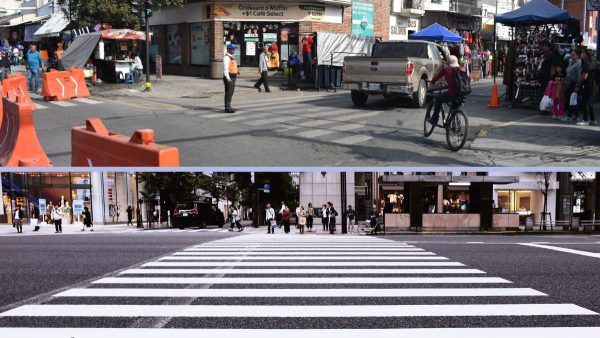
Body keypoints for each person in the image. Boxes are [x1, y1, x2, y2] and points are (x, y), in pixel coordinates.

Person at [429, 55, 463, 126]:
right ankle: (454, 122)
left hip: (452, 93)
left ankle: (434, 119)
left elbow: (436, 77)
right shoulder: (462, 69)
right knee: (454, 107)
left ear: (448, 63)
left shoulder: (446, 70)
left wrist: (432, 82)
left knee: (438, 99)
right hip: (463, 94)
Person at [579, 50, 597, 126]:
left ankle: (585, 119)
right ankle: (592, 119)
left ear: (586, 55)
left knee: (585, 102)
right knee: (589, 103)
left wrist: (579, 82)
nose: (581, 54)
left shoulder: (586, 64)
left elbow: (584, 76)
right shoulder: (593, 63)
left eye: (583, 53)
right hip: (592, 85)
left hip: (587, 85)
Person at [565, 50, 582, 122]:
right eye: (571, 54)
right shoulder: (571, 62)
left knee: (572, 100)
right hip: (569, 83)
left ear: (578, 55)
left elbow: (579, 75)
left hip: (574, 83)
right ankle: (576, 115)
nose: (572, 56)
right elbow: (568, 71)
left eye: (574, 55)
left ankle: (569, 116)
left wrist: (577, 85)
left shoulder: (578, 63)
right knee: (572, 100)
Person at [223, 44, 239, 113]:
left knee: (230, 92)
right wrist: (228, 78)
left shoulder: (231, 57)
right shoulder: (227, 58)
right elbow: (225, 69)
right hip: (229, 77)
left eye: (234, 49)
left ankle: (228, 105)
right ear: (229, 49)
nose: (234, 50)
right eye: (232, 49)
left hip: (233, 77)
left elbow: (233, 66)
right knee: (229, 92)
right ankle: (227, 107)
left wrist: (237, 71)